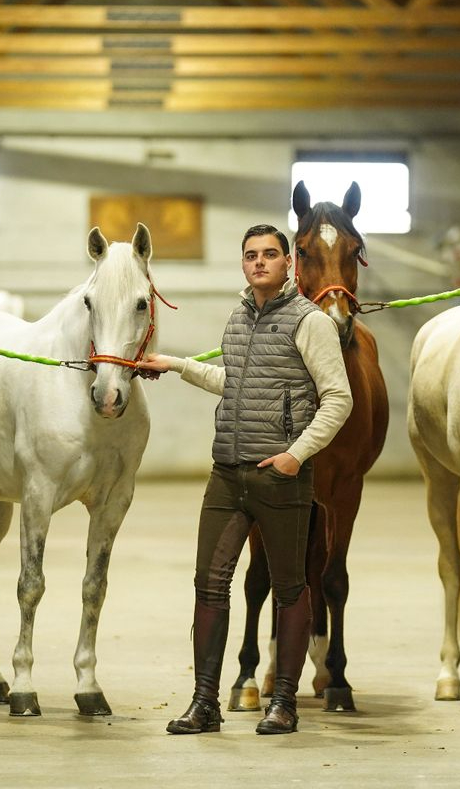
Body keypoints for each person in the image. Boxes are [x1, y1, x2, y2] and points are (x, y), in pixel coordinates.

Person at [138, 223, 352, 735]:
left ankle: (284, 702)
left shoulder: (310, 322)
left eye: (270, 254)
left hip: (280, 479)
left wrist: (296, 456)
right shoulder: (238, 319)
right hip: (227, 475)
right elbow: (232, 383)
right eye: (251, 255)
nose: (259, 262)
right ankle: (205, 703)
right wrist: (174, 365)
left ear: (288, 264)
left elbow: (339, 399)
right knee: (208, 585)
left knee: (289, 587)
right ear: (243, 264)